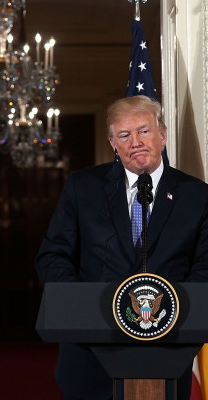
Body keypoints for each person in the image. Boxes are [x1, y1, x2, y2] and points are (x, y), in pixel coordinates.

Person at [35, 95, 208, 400]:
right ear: (113, 143)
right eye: (124, 135)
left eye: (144, 131)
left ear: (162, 135)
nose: (136, 142)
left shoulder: (197, 196)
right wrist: (81, 306)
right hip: (90, 353)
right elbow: (53, 255)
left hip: (166, 352)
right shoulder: (82, 187)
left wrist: (173, 310)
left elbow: (205, 265)